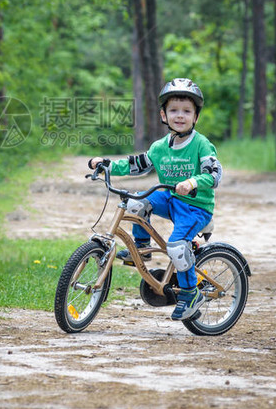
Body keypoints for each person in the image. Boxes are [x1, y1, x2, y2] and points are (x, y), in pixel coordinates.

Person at [88, 78, 222, 321]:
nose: (179, 116)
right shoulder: (160, 147)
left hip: (195, 207)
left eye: (186, 111)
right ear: (164, 114)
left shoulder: (202, 145)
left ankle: (191, 293)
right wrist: (107, 164)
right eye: (173, 110)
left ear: (196, 117)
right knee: (136, 202)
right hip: (171, 200)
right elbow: (137, 165)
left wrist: (193, 182)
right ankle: (141, 248)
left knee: (176, 246)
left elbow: (213, 174)